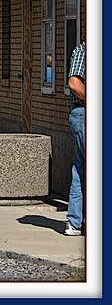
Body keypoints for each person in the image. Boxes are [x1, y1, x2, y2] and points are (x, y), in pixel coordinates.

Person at [66, 41, 85, 236]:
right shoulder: (84, 49)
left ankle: (75, 222)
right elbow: (74, 82)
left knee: (80, 167)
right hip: (85, 113)